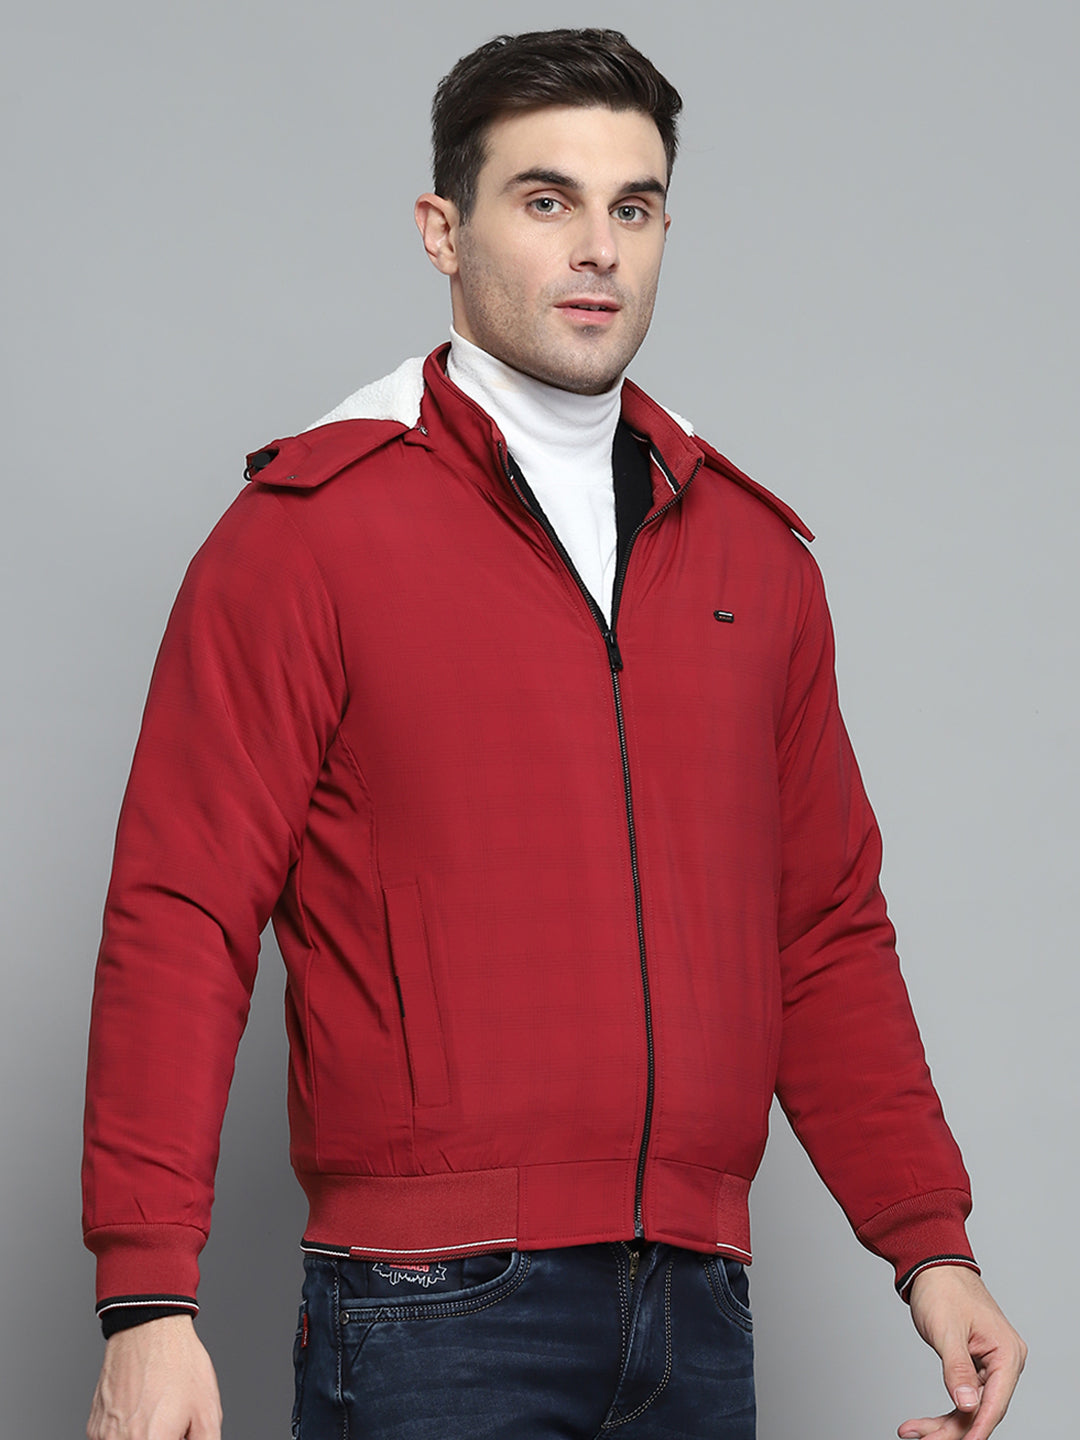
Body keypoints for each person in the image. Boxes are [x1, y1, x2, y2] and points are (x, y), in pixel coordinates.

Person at [83, 28, 1025, 1440]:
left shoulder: (754, 559)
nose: (598, 248)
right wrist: (147, 1299)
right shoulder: (307, 535)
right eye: (547, 200)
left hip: (698, 1307)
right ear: (441, 231)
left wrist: (929, 1245)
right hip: (423, 1305)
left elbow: (822, 927)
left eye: (633, 207)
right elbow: (181, 910)